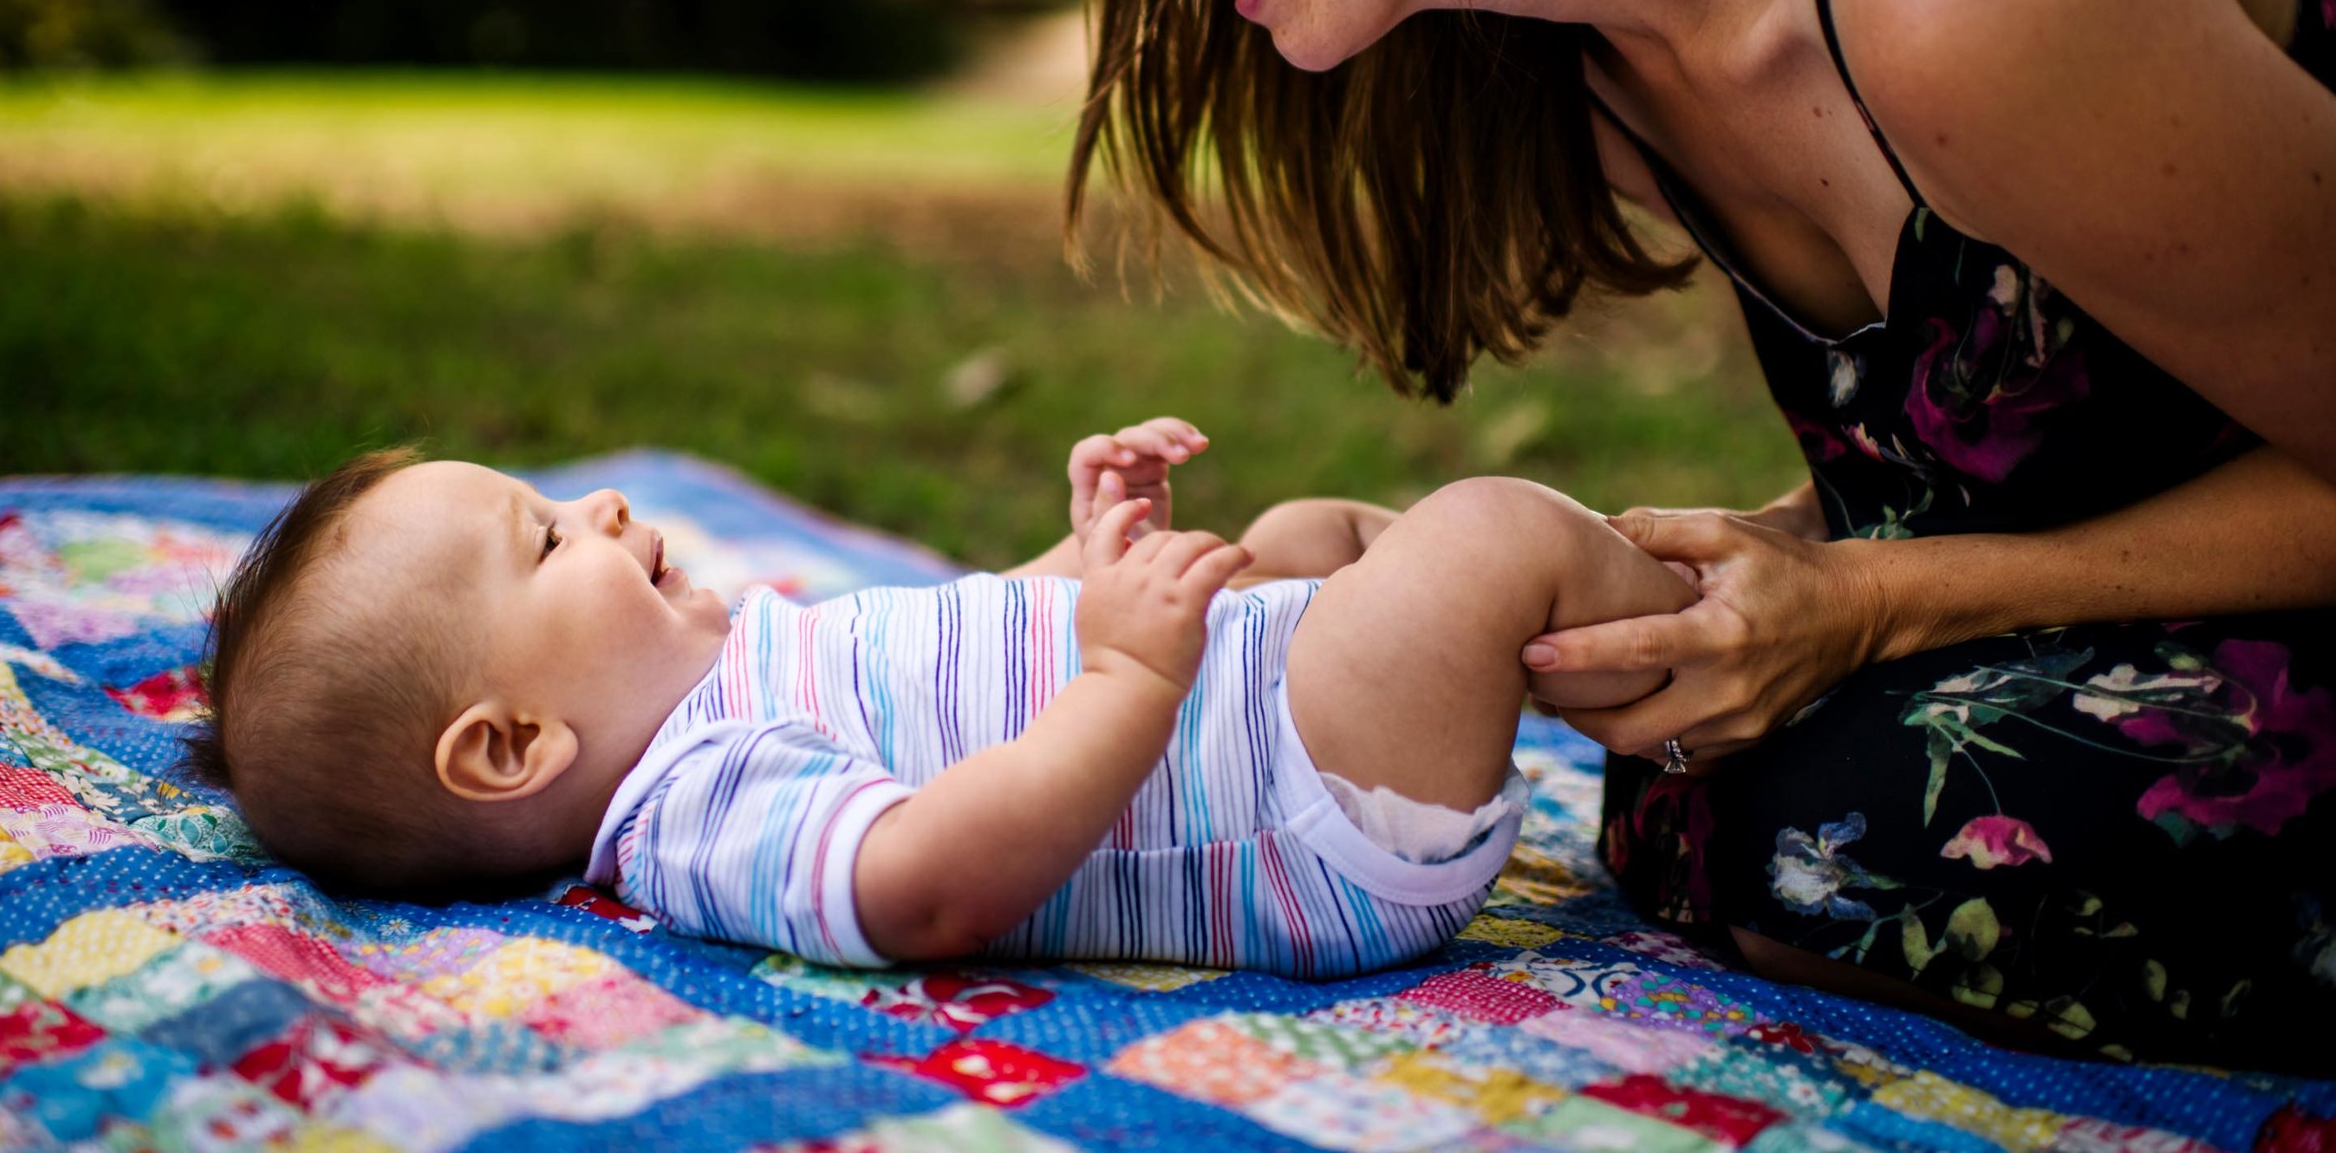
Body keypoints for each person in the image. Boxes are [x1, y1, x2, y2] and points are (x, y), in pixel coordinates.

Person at [1016, 0, 2336, 1070]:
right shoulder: (1611, 78)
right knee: (1717, 776)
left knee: (1878, 821)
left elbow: (1953, 544)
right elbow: (2030, 461)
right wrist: (1714, 577)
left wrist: (1869, 603)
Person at [180, 421, 1695, 976]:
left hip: (1253, 723)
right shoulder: (698, 814)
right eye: (548, 540)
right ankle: (1735, 690)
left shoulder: (721, 669)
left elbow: (961, 653)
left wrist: (1084, 556)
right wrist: (1130, 665)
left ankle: (1642, 668)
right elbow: (927, 887)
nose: (604, 512)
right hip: (1297, 819)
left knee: (1303, 536)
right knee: (1491, 536)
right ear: (512, 746)